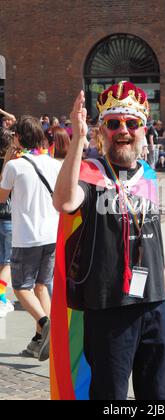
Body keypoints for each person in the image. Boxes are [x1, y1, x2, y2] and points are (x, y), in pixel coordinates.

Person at [52, 81, 165, 400]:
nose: (123, 130)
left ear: (143, 129)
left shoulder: (149, 174)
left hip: (155, 305)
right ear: (102, 132)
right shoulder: (90, 173)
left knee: (163, 394)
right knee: (110, 395)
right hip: (108, 307)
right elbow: (64, 202)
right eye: (113, 123)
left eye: (131, 123)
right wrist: (77, 139)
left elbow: (155, 243)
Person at [0, 116, 62, 360]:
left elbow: (1, 197)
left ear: (17, 138)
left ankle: (46, 323)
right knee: (41, 287)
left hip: (27, 236)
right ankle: (43, 340)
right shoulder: (53, 164)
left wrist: (6, 161)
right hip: (50, 235)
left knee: (21, 288)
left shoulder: (15, 166)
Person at [0, 128, 13, 317]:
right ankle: (1, 298)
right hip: (9, 216)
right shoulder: (12, 164)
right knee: (8, 262)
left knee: (2, 260)